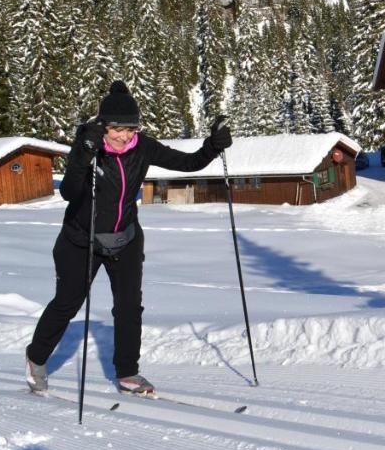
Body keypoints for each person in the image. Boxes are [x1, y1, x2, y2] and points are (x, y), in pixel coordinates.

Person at [25, 80, 233, 395]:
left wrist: (213, 145)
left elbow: (187, 163)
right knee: (68, 303)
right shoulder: (88, 146)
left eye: (130, 129)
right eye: (117, 128)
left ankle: (127, 373)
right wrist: (83, 154)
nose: (124, 136)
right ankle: (36, 358)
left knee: (128, 306)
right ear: (103, 125)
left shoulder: (143, 147)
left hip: (126, 238)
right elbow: (69, 192)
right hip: (81, 241)